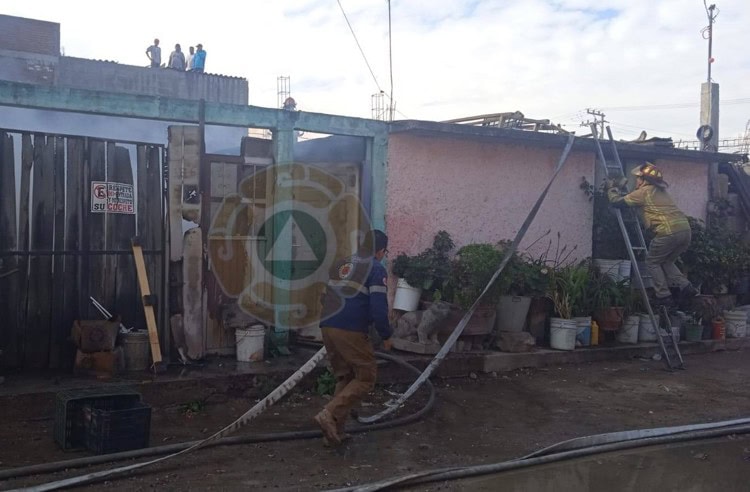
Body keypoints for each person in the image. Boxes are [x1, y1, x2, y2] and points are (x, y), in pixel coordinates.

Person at [313, 229, 392, 446]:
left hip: (327, 325)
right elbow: (378, 309)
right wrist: (386, 335)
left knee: (345, 377)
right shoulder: (376, 268)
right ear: (380, 251)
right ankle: (329, 413)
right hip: (350, 328)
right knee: (366, 377)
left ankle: (334, 432)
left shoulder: (342, 264)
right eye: (384, 252)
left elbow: (324, 298)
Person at [607, 162, 699, 306]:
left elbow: (616, 202)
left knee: (652, 262)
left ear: (644, 180)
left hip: (667, 232)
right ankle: (686, 286)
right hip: (685, 231)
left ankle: (663, 296)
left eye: (638, 178)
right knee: (667, 261)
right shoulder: (661, 191)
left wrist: (612, 188)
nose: (636, 181)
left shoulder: (644, 192)